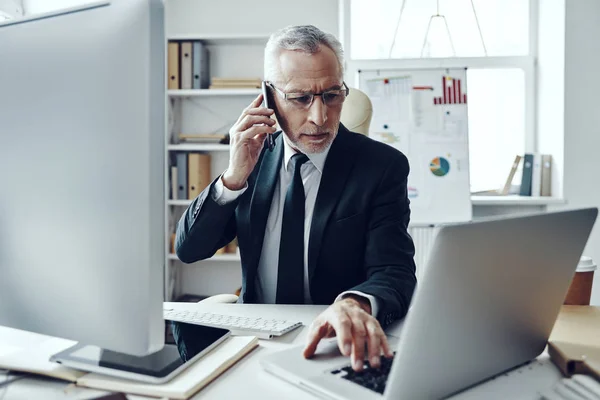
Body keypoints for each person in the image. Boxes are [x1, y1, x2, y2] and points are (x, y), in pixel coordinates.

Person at [175, 25, 416, 372]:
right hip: (254, 334)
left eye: (332, 95)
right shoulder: (253, 156)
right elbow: (189, 249)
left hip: (333, 341)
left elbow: (394, 271)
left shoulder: (381, 167)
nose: (319, 118)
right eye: (301, 98)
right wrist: (233, 177)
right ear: (269, 97)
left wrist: (354, 304)